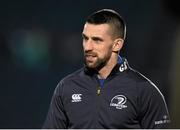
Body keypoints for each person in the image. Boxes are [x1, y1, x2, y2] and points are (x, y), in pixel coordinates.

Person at [43, 9, 170, 129]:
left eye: (97, 40)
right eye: (85, 38)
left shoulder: (144, 90)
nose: (88, 47)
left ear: (117, 44)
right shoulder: (66, 87)